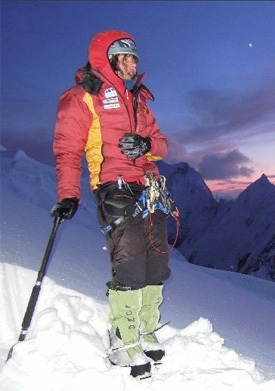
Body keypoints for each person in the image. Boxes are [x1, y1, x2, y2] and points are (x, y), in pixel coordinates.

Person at [50, 30, 172, 378]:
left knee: (156, 261)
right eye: (128, 57)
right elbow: (67, 150)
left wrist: (146, 144)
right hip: (113, 187)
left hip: (148, 187)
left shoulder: (138, 100)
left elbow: (163, 145)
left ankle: (145, 330)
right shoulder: (82, 97)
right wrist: (68, 194)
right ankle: (122, 339)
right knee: (130, 261)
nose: (134, 63)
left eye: (135, 57)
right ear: (110, 57)